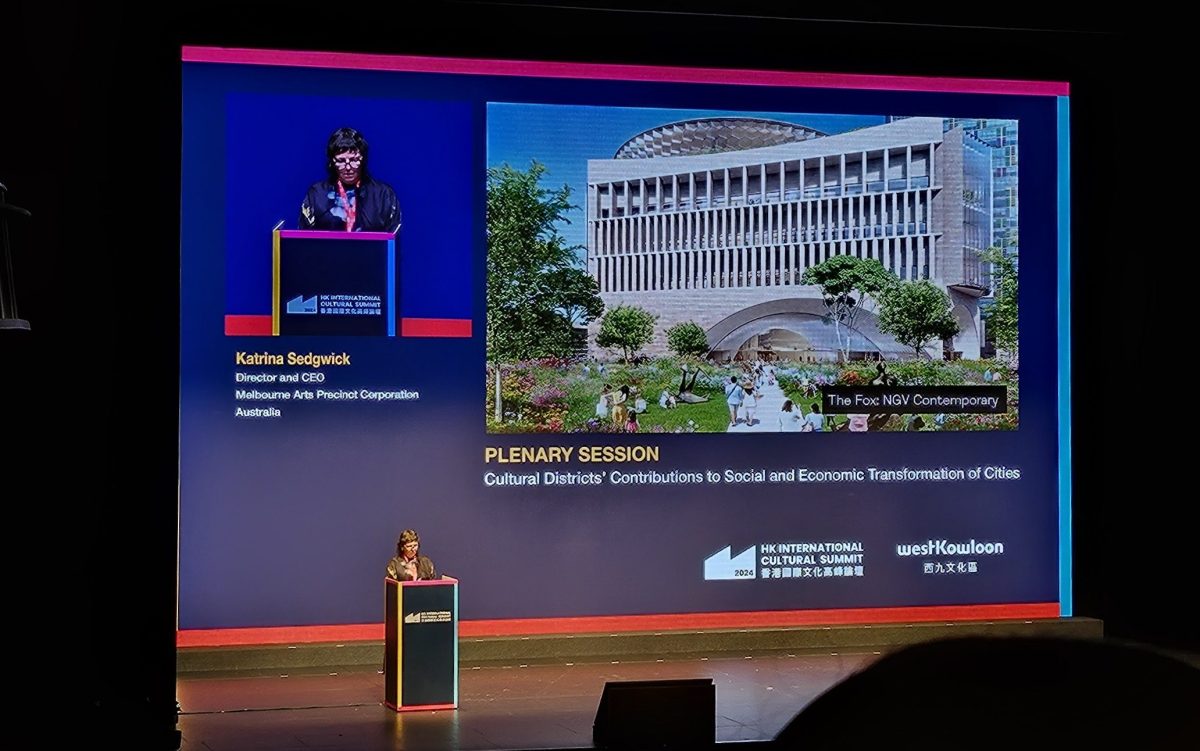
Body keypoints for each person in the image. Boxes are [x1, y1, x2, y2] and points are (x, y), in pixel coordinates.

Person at [299, 127, 401, 232]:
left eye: (354, 160)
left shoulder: (383, 195)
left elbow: (393, 239)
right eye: (341, 161)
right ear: (332, 162)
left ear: (363, 160)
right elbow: (304, 238)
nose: (348, 167)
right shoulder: (317, 194)